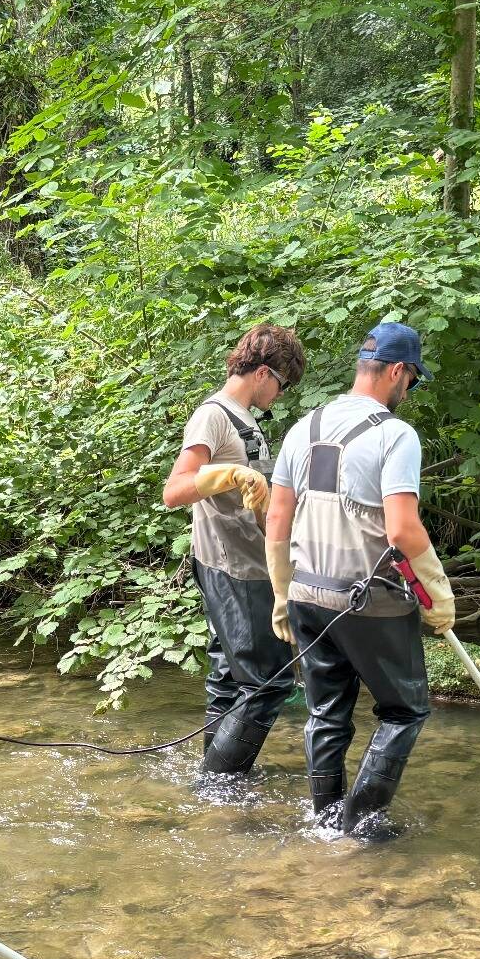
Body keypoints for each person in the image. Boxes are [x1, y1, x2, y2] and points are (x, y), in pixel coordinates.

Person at [264, 322, 454, 837]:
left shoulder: (302, 427)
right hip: (369, 601)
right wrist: (437, 591)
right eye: (412, 379)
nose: (409, 389)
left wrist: (281, 593)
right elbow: (402, 529)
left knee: (326, 713)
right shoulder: (396, 435)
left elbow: (277, 519)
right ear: (398, 371)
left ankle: (326, 824)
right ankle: (361, 826)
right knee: (405, 711)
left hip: (307, 594)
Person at [162, 323, 307, 773]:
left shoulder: (245, 421)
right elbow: (174, 491)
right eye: (282, 383)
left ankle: (216, 781)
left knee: (228, 680)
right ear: (263, 373)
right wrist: (227, 475)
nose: (280, 395)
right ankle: (219, 781)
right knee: (270, 684)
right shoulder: (213, 415)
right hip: (232, 570)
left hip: (248, 564)